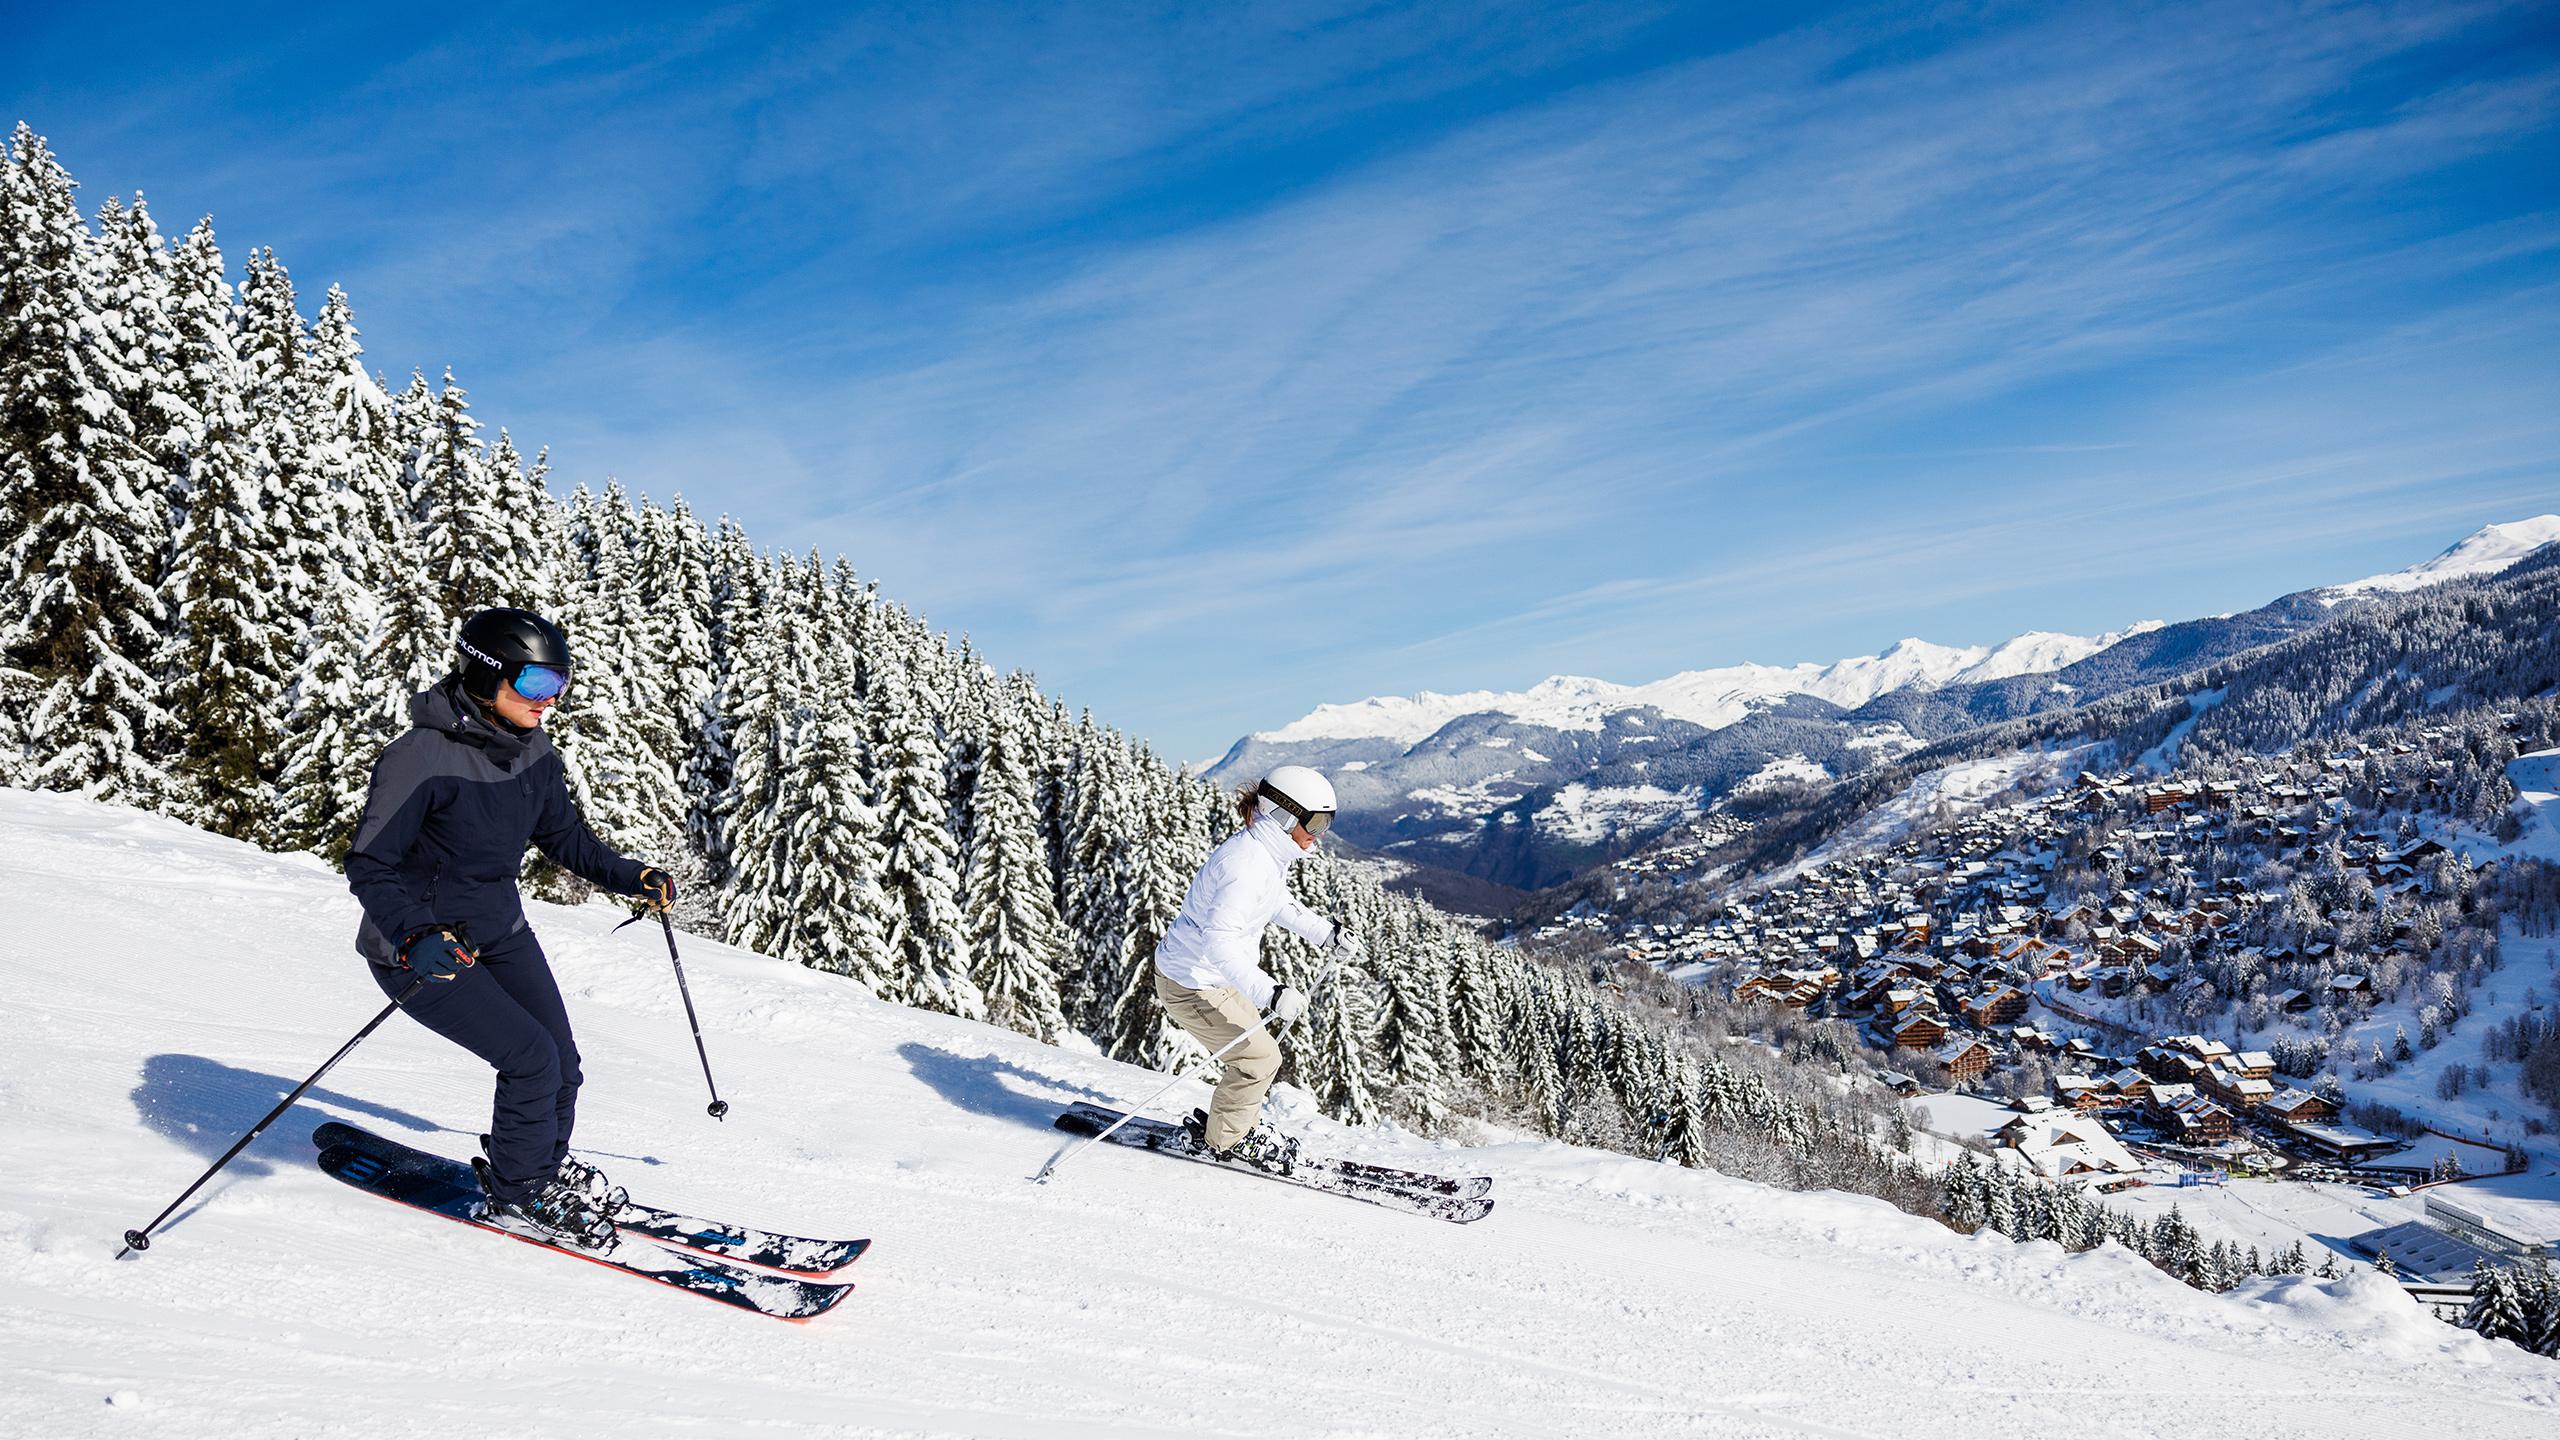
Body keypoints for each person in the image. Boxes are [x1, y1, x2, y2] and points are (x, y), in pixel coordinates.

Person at [343, 607, 676, 1248]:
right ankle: (519, 1194)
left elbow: (563, 837)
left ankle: (538, 1168)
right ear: (483, 675)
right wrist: (415, 935)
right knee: (529, 1061)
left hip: (500, 930)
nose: (548, 701)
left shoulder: (533, 749)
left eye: (559, 684)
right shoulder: (420, 758)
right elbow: (370, 862)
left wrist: (629, 875)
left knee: (564, 1064)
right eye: (533, 685)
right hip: (423, 950)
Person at [1149, 764, 1359, 1172]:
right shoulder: (1245, 865)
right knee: (1259, 1059)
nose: (1318, 835)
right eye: (1314, 823)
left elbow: (1275, 902)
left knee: (1255, 1057)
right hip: (1191, 983)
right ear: (1282, 815)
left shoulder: (1264, 854)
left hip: (1213, 980)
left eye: (1326, 824)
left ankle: (1231, 1124)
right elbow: (1219, 941)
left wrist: (1324, 933)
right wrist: (1271, 993)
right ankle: (1226, 1142)